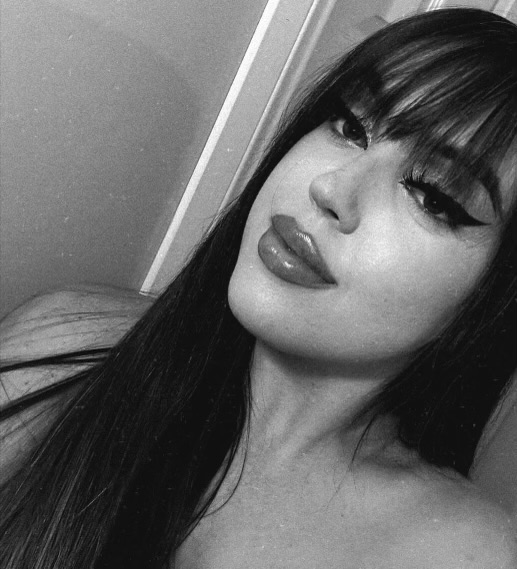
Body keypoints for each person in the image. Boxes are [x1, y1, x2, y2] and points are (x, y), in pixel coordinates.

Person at [1, 7, 516, 569]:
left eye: (433, 195)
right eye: (350, 126)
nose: (331, 188)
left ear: (494, 297)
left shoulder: (464, 553)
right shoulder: (58, 343)